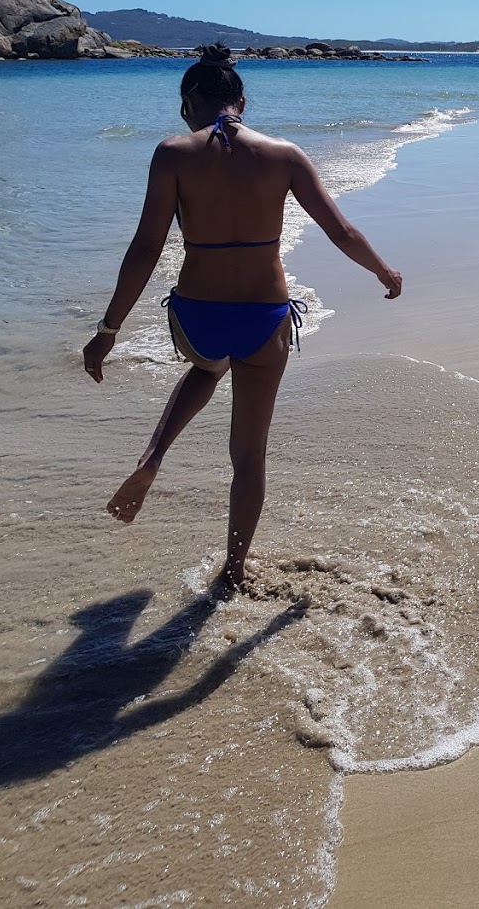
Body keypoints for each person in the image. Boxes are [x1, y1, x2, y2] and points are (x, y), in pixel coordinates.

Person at [83, 45, 402, 593]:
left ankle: (154, 456)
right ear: (242, 102)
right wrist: (383, 272)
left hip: (198, 314)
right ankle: (233, 572)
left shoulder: (172, 154)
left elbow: (146, 248)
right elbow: (341, 232)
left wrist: (107, 330)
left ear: (189, 105)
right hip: (263, 317)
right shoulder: (284, 155)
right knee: (249, 455)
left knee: (206, 370)